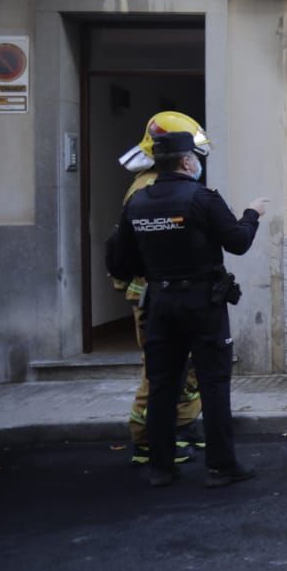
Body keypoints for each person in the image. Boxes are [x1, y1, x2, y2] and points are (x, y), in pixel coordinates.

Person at [106, 129, 267, 488]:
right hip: (201, 302)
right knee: (213, 382)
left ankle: (161, 468)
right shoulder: (201, 198)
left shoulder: (138, 202)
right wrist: (251, 214)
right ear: (185, 161)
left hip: (160, 302)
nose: (198, 162)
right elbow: (238, 242)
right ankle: (221, 466)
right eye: (196, 157)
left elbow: (119, 263)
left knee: (163, 384)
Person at [111, 112, 207, 466]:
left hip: (169, 290)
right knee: (161, 368)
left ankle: (180, 428)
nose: (194, 161)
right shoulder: (145, 189)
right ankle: (147, 440)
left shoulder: (158, 184)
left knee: (186, 366)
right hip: (155, 291)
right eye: (191, 154)